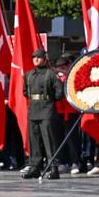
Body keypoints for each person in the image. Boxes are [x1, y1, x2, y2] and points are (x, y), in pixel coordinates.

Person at [20, 48, 63, 179]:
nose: (36, 59)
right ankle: (35, 167)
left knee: (49, 140)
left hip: (47, 109)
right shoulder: (29, 75)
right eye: (34, 57)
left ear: (45, 59)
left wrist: (49, 100)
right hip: (33, 109)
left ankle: (54, 168)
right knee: (34, 140)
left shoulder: (51, 74)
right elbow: (25, 92)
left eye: (38, 57)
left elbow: (59, 93)